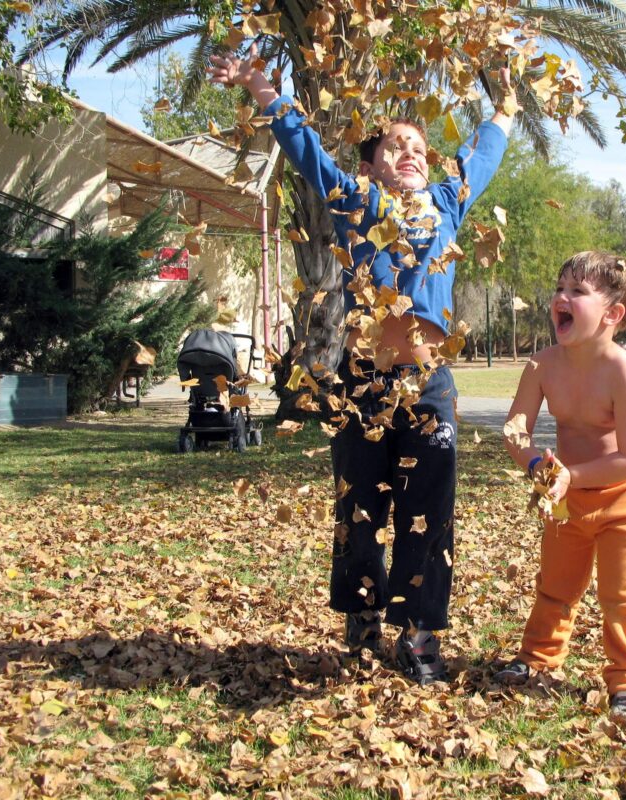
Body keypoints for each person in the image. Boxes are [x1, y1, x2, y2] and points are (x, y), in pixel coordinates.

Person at [208, 53, 514, 684]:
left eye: (419, 148)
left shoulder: (447, 202)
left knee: (430, 509)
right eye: (396, 146)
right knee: (360, 507)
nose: (411, 154)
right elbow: (305, 148)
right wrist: (258, 83)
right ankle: (364, 615)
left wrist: (506, 102)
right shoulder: (357, 200)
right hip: (362, 386)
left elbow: (484, 152)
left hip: (428, 388)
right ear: (372, 165)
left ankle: (420, 634)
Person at [496, 251, 626, 718]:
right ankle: (537, 658)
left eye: (577, 291)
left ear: (613, 313)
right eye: (560, 288)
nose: (562, 297)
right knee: (555, 586)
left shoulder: (624, 371)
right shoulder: (541, 366)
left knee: (624, 594)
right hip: (565, 494)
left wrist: (573, 475)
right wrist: (539, 465)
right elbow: (514, 430)